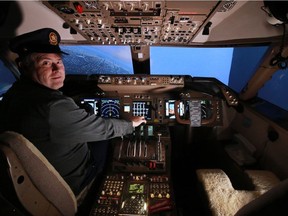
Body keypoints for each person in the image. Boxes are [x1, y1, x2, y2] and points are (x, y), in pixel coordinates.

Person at [0, 28, 146, 196]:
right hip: (71, 182)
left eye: (59, 62)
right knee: (107, 141)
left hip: (38, 180)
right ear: (23, 66)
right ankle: (102, 185)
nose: (57, 69)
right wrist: (131, 124)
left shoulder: (14, 93)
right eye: (45, 63)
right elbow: (104, 128)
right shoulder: (52, 106)